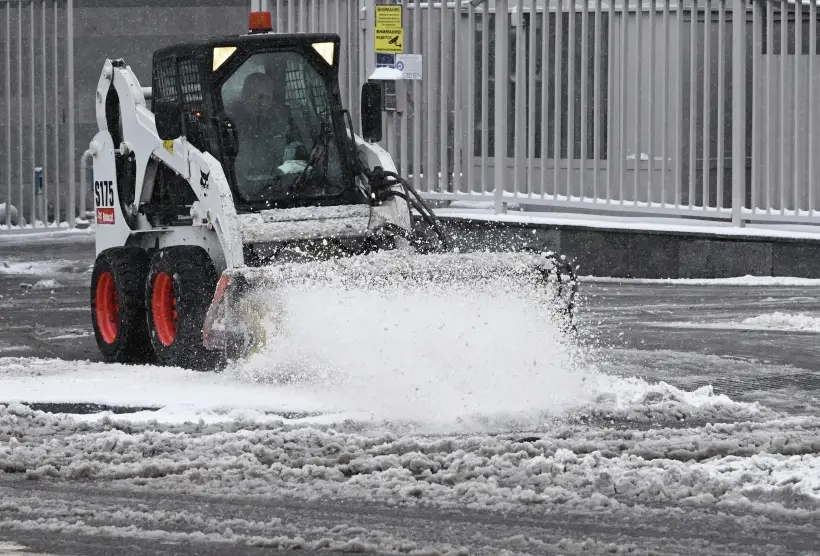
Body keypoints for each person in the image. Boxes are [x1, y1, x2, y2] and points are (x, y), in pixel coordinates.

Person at [229, 71, 312, 200]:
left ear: (272, 100)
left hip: (277, 192)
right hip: (237, 196)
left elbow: (301, 158)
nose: (260, 102)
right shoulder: (228, 124)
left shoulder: (283, 124)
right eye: (253, 95)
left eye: (265, 97)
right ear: (244, 95)